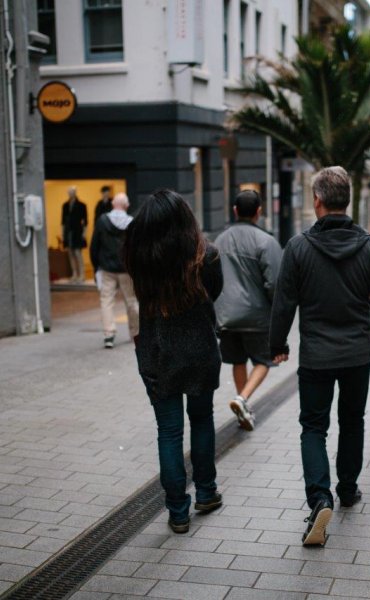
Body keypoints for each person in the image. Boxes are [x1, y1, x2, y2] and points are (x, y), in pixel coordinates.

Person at [270, 166, 370, 547]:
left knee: (313, 427)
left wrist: (277, 345)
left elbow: (284, 303)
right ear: (346, 201)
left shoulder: (298, 248)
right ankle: (347, 488)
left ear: (317, 201)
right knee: (352, 420)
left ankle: (319, 499)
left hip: (315, 355)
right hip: (357, 355)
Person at [124, 189, 224, 534]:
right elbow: (216, 291)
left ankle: (178, 511)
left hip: (157, 353)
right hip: (199, 350)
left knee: (168, 432)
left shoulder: (140, 259)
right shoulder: (206, 256)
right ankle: (207, 493)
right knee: (201, 420)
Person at [214, 190, 282, 431]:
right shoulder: (266, 242)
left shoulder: (219, 240)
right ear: (259, 212)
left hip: (225, 317)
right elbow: (275, 283)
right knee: (264, 361)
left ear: (234, 211)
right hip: (256, 317)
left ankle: (243, 405)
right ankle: (242, 399)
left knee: (237, 360)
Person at [90, 193, 139, 349]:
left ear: (112, 204)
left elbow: (94, 245)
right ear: (126, 206)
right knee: (131, 302)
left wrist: (96, 265)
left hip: (107, 269)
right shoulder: (131, 223)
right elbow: (136, 248)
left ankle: (109, 334)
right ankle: (135, 333)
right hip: (126, 269)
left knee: (106, 301)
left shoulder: (102, 221)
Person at [61, 186, 88, 283]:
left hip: (78, 232)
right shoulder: (65, 205)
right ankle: (74, 274)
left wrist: (84, 233)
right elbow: (63, 222)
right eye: (69, 191)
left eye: (72, 191)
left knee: (78, 253)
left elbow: (85, 221)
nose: (70, 193)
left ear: (75, 192)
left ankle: (82, 274)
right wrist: (63, 234)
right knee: (70, 253)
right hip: (68, 232)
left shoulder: (81, 205)